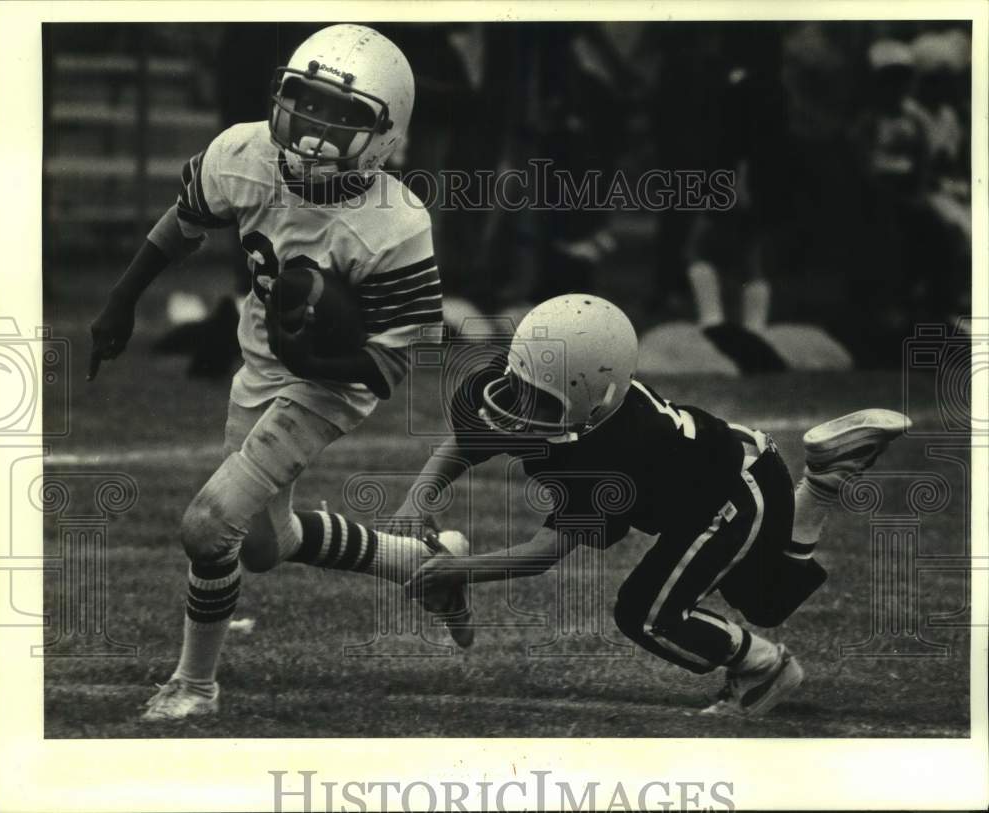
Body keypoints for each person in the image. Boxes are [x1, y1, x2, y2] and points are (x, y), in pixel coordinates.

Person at [88, 24, 470, 722]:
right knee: (265, 544)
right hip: (263, 361)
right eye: (309, 104)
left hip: (333, 385)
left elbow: (390, 361)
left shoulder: (394, 223)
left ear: (386, 135)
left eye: (345, 117)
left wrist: (313, 359)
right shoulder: (244, 152)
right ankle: (425, 561)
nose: (318, 132)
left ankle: (194, 686)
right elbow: (185, 218)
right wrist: (122, 300)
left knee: (208, 525)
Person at [400, 294, 910, 715]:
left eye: (540, 401)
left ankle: (762, 667)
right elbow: (470, 438)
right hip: (724, 474)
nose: (518, 407)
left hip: (733, 494)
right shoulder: (543, 393)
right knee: (764, 600)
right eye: (517, 387)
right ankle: (822, 482)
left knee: (649, 613)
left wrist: (459, 569)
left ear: (594, 404)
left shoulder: (611, 453)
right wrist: (417, 497)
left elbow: (543, 552)